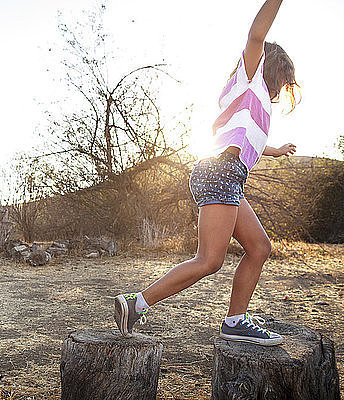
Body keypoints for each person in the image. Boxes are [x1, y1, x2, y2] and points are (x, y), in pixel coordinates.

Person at [115, 0, 299, 346]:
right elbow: (256, 33)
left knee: (259, 247)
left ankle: (235, 320)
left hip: (228, 175)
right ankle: (136, 304)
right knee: (209, 260)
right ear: (269, 69)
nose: (279, 91)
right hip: (220, 173)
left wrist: (276, 150)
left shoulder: (253, 101)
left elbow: (248, 141)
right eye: (281, 82)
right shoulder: (250, 76)